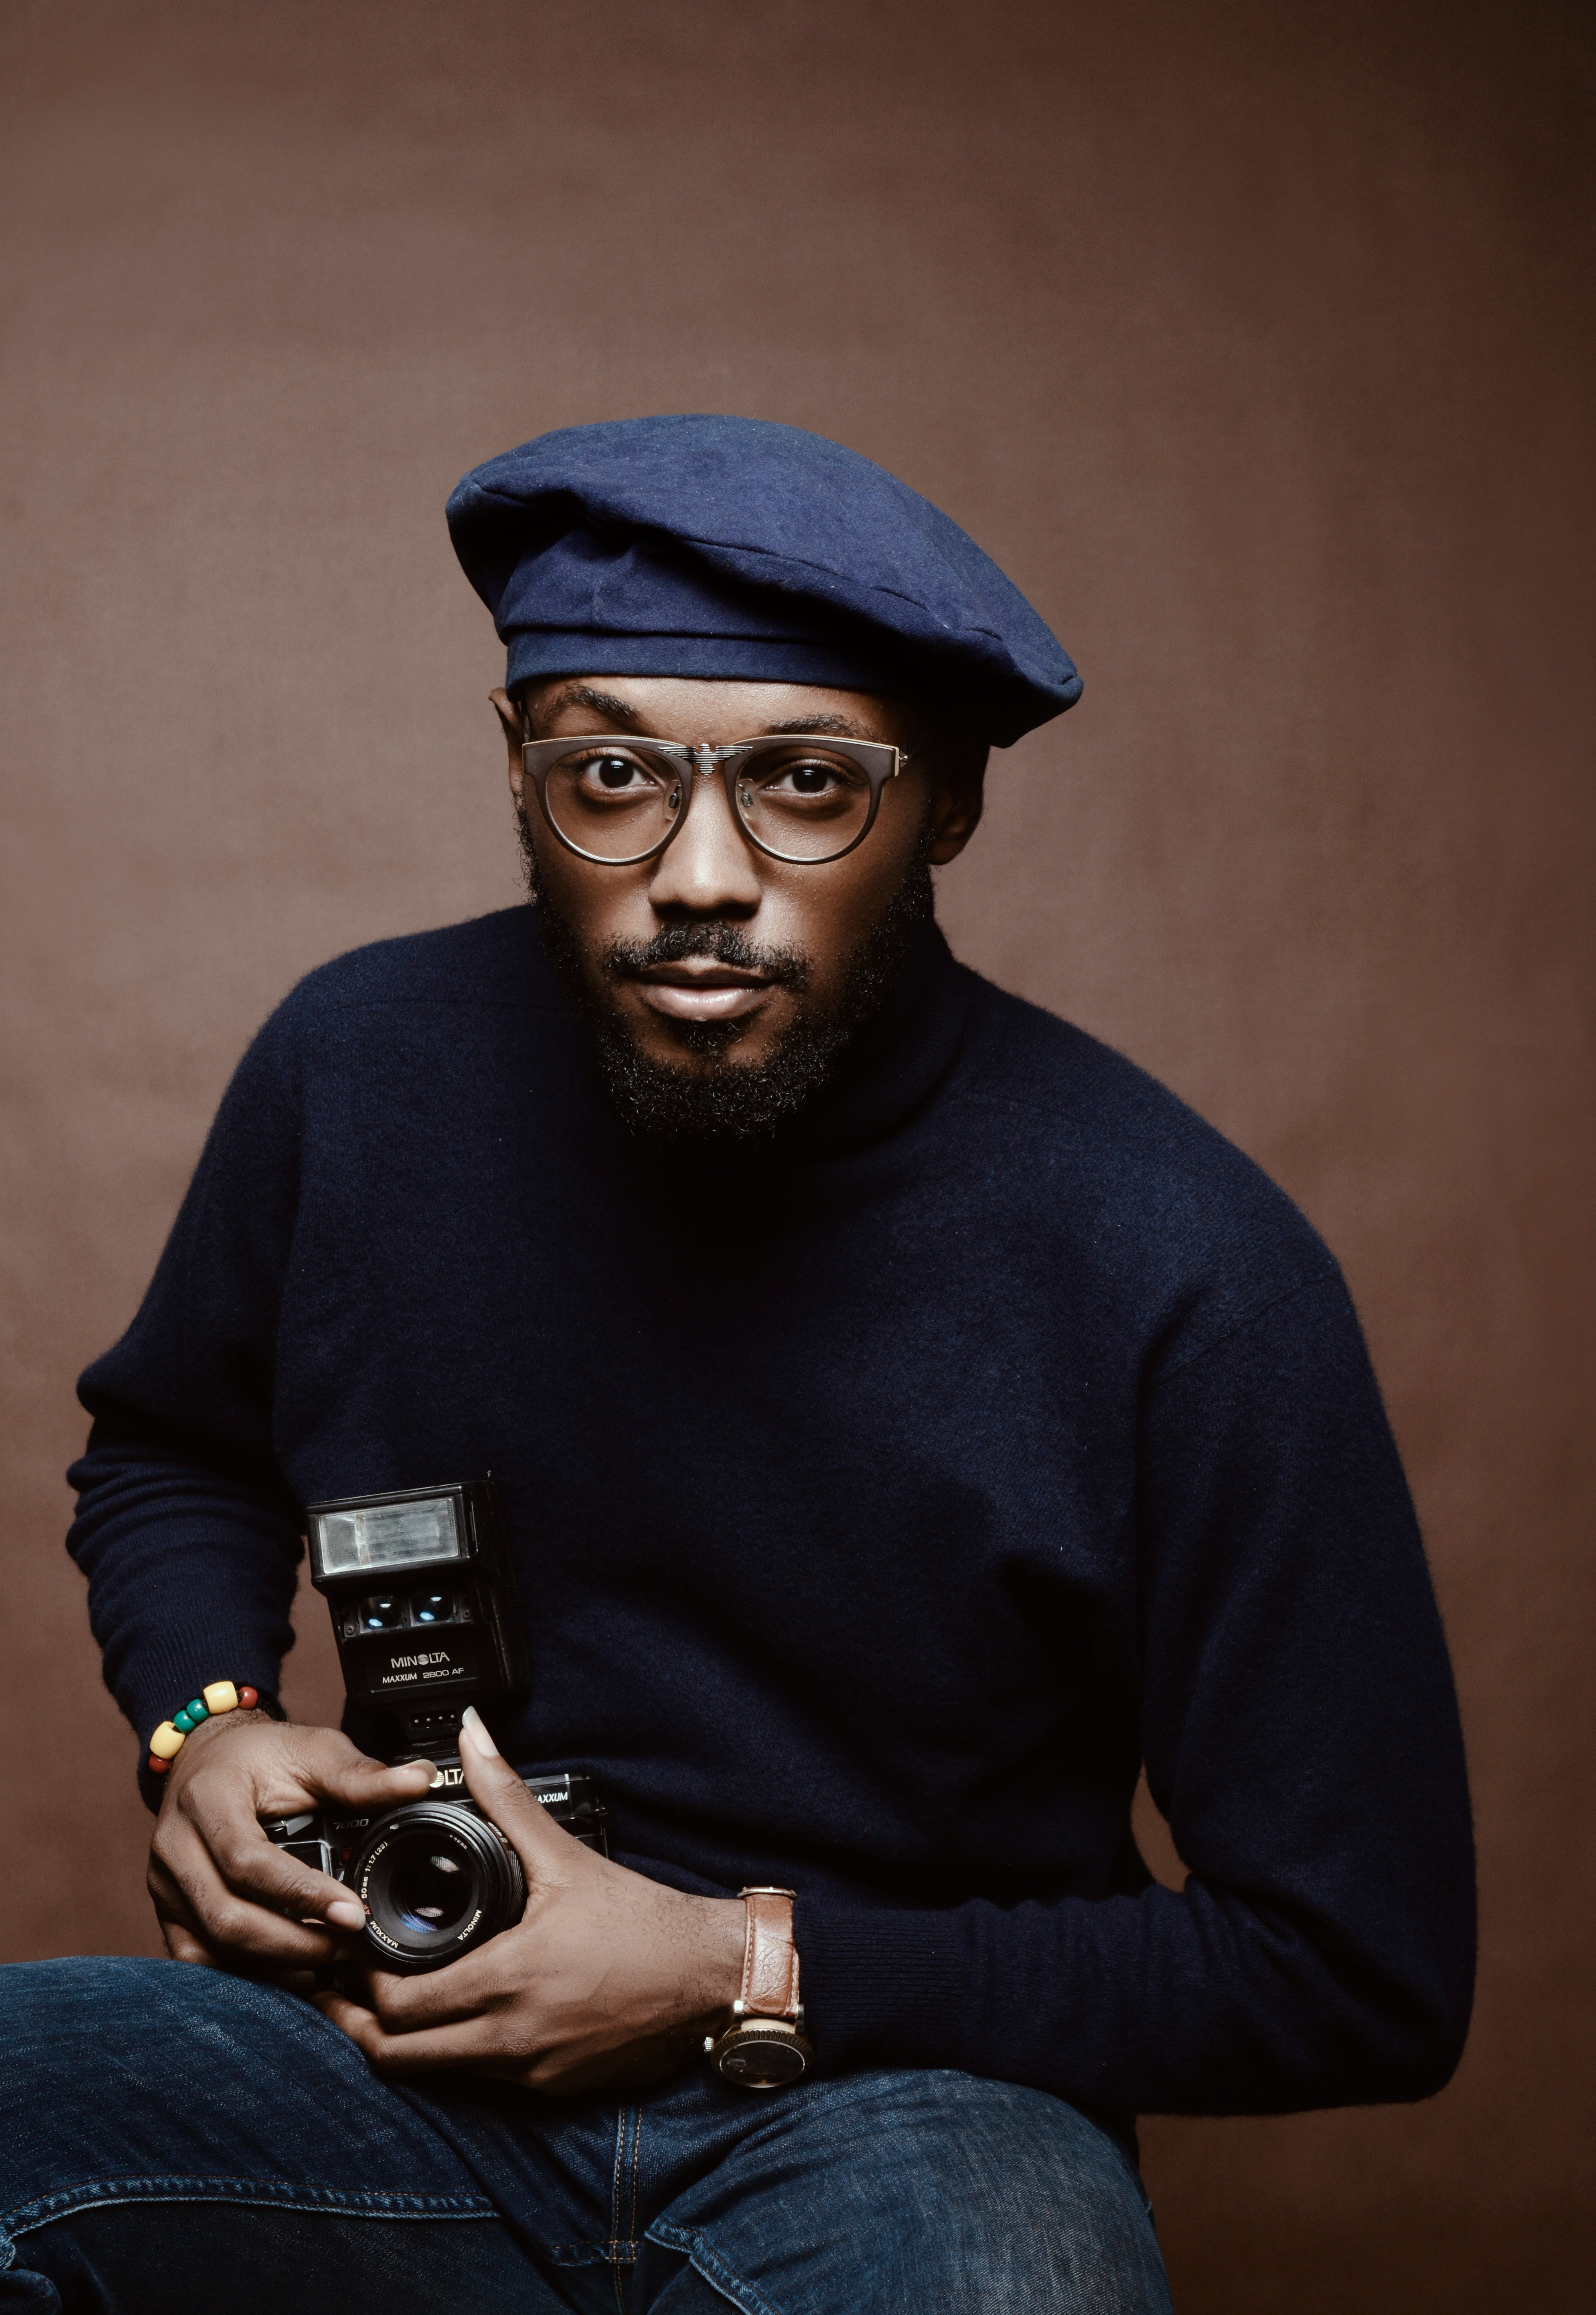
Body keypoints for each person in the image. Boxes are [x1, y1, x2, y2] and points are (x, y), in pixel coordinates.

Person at [0, 416, 1474, 2314]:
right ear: (520, 771)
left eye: (806, 782)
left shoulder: (1182, 1262)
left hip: (911, 2105)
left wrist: (735, 1961)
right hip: (384, 2051)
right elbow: (174, 1448)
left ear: (945, 800)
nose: (700, 872)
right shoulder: (354, 1072)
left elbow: (1353, 1965)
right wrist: (201, 1723)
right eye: (610, 771)